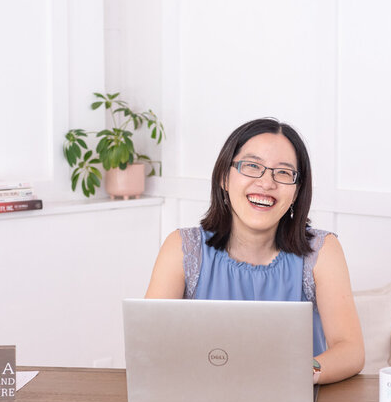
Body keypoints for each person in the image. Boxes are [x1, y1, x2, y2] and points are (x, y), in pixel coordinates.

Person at [145, 118, 364, 384]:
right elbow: (149, 346)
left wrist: (300, 373)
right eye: (252, 166)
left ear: (296, 191)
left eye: (283, 173)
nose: (266, 183)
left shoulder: (322, 250)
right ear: (225, 177)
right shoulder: (181, 248)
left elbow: (350, 350)